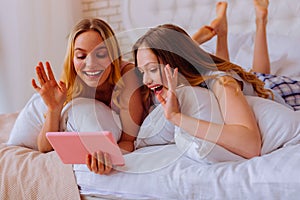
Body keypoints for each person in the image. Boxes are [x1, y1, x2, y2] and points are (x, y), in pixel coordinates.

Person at [132, 21, 282, 159]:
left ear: (175, 61)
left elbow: (250, 145)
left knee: (261, 73)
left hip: (275, 86)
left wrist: (176, 117)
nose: (146, 81)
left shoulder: (222, 82)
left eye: (152, 69)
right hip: (200, 69)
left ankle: (260, 20)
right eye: (142, 72)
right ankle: (204, 39)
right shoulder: (161, 87)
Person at [21, 18, 144, 174]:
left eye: (100, 54)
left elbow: (128, 141)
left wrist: (108, 157)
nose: (91, 63)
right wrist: (54, 109)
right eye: (81, 56)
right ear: (72, 59)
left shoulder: (127, 76)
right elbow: (44, 147)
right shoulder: (71, 81)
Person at [192, 0, 300, 111]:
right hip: (268, 88)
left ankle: (218, 35)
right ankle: (260, 22)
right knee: (256, 79)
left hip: (244, 87)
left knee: (229, 80)